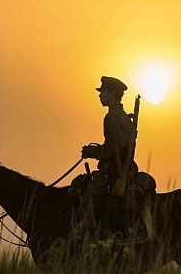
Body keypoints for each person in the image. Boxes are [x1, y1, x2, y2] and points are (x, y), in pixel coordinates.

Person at [68, 76, 150, 240]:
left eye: (103, 91)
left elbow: (113, 148)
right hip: (126, 169)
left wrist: (93, 152)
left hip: (112, 172)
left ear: (112, 93)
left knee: (86, 204)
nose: (100, 95)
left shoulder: (111, 117)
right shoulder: (125, 117)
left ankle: (90, 239)